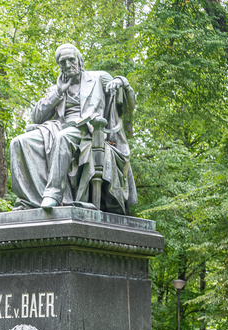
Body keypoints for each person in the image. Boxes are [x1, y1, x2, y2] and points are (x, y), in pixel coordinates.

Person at [10, 43, 137, 214]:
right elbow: (37, 117)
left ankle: (54, 193)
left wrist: (121, 81)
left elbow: (127, 104)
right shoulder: (57, 87)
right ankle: (28, 200)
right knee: (18, 142)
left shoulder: (98, 78)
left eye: (71, 60)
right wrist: (58, 92)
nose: (67, 65)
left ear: (79, 60)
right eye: (62, 62)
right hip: (57, 128)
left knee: (64, 136)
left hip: (88, 128)